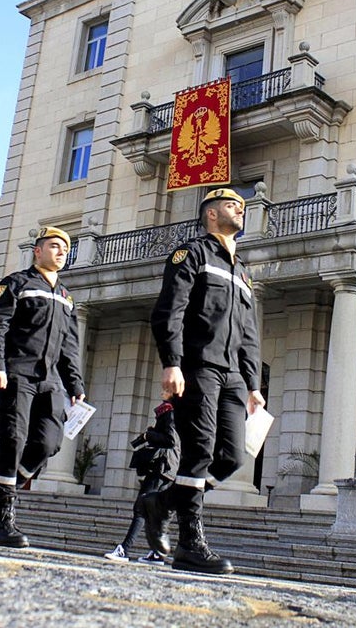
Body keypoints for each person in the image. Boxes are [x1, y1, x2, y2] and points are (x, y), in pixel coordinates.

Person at [148, 188, 265, 575]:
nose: (240, 209)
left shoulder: (242, 271)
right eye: (233, 204)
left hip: (233, 374)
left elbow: (249, 332)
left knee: (232, 456)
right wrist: (172, 363)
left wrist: (253, 384)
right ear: (211, 214)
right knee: (198, 451)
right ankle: (189, 544)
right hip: (198, 366)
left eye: (242, 206)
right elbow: (170, 310)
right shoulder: (192, 254)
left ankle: (162, 503)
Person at [0, 226, 85, 548]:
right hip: (17, 374)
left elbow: (69, 346)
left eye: (65, 248)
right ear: (37, 251)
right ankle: (3, 518)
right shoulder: (16, 284)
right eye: (54, 246)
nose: (61, 252)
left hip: (49, 381)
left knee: (49, 442)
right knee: (13, 438)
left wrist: (75, 384)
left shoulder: (65, 297)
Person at [104, 398, 179, 565]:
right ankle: (157, 553)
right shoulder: (178, 412)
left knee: (141, 508)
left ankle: (124, 549)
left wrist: (148, 435)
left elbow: (171, 440)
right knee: (157, 512)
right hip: (169, 469)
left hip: (162, 468)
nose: (162, 389)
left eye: (166, 388)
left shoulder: (170, 412)